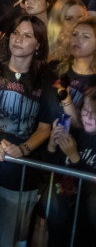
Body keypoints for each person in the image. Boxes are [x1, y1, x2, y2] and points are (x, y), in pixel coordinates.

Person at [0, 15, 56, 247]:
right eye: (16, 33)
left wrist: (22, 149)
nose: (18, 39)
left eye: (28, 36)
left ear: (38, 45)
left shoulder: (46, 80)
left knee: (7, 240)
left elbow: (45, 128)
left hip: (21, 174)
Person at [44, 86, 96, 245]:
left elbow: (91, 192)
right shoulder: (76, 135)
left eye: (93, 115)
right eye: (85, 110)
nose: (87, 117)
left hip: (85, 228)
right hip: (60, 220)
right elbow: (49, 170)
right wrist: (52, 145)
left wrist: (74, 157)